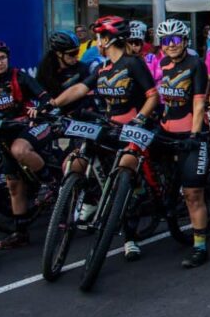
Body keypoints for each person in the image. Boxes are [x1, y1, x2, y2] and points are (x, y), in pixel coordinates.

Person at [49, 15, 160, 260]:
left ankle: (130, 237)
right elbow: (80, 89)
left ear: (107, 39)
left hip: (134, 128)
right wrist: (53, 104)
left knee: (125, 174)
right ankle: (88, 196)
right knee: (74, 161)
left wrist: (140, 118)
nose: (96, 42)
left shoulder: (133, 63)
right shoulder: (102, 67)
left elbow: (152, 96)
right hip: (109, 127)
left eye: (99, 37)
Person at [0, 40, 52, 250]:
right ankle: (20, 233)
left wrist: (40, 109)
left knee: (19, 150)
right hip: (3, 137)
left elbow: (45, 97)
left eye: (2, 58)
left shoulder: (20, 77)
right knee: (14, 187)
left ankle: (49, 182)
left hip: (29, 129)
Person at [152, 19, 210, 268]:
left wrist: (194, 135)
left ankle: (200, 247)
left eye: (176, 40)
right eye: (166, 41)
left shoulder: (195, 64)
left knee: (193, 193)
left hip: (191, 132)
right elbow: (156, 95)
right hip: (167, 130)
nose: (171, 45)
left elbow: (199, 102)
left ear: (185, 41)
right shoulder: (162, 63)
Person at [35, 31, 91, 111]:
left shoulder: (82, 68)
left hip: (78, 113)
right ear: (59, 54)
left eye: (77, 52)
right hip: (53, 113)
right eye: (72, 53)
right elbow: (40, 92)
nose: (76, 56)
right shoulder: (45, 68)